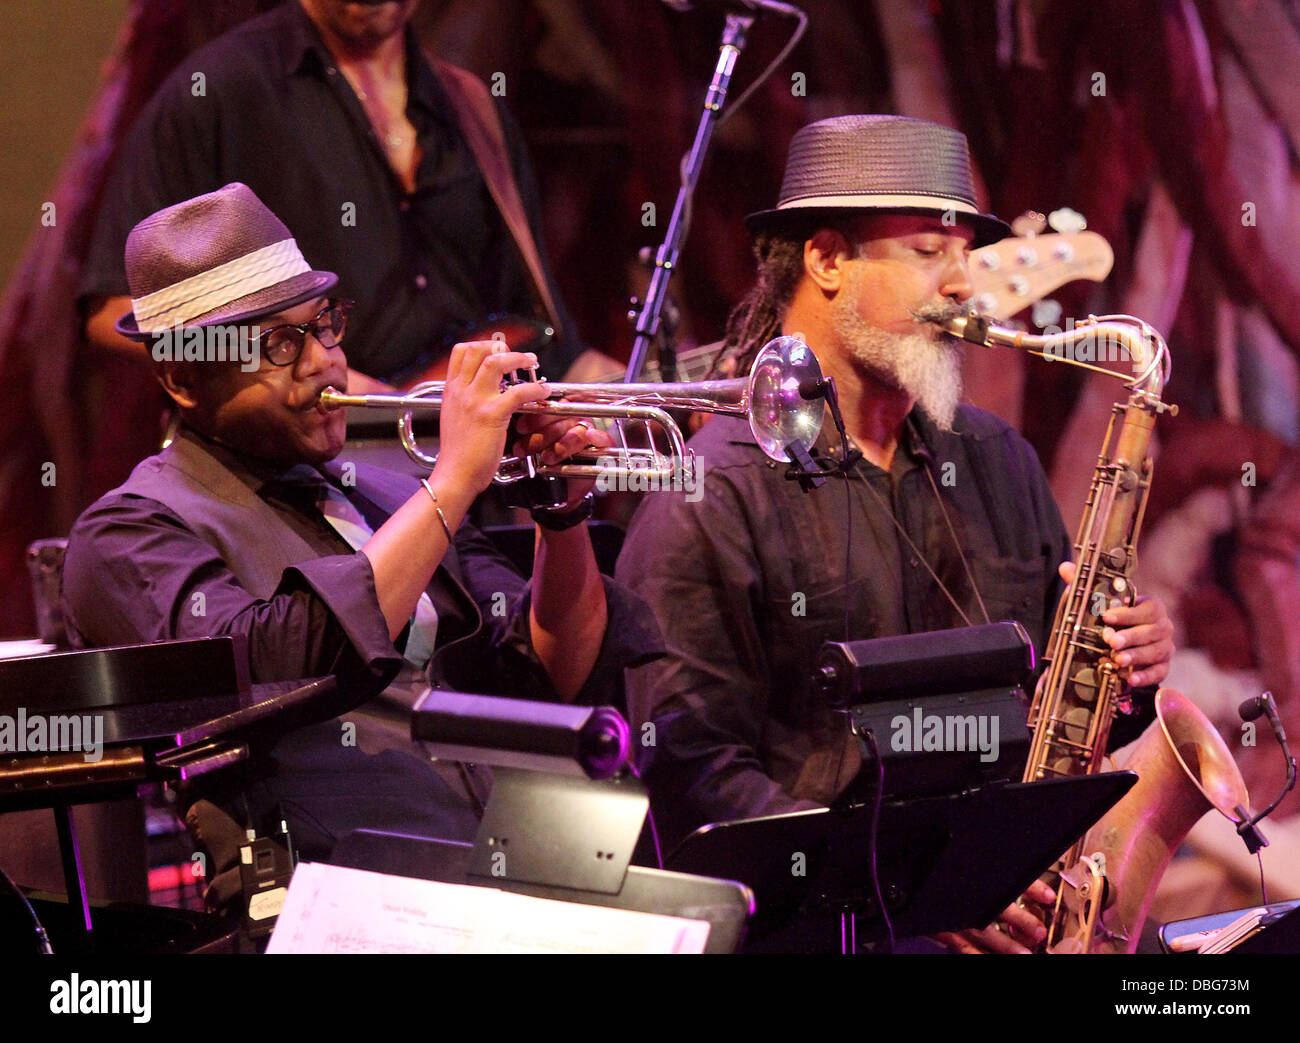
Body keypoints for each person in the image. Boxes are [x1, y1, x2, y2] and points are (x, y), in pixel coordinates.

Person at [616, 115, 1175, 953]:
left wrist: (1127, 672)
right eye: (926, 250)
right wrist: (922, 891)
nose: (962, 285)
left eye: (965, 253)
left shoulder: (1000, 461)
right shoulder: (714, 489)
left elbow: (1065, 709)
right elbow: (693, 772)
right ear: (828, 259)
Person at [61, 183, 658, 908]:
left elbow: (548, 676)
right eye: (278, 342)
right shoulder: (126, 533)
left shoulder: (383, 494)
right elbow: (274, 660)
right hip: (317, 909)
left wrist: (558, 515)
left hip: (502, 885)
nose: (322, 362)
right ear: (183, 377)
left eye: (324, 326)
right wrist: (452, 484)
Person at [79, 0, 609, 392]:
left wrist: (662, 388)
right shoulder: (217, 89)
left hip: (462, 477)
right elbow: (114, 316)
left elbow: (535, 327)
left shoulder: (473, 109)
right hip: (291, 479)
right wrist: (284, 363)